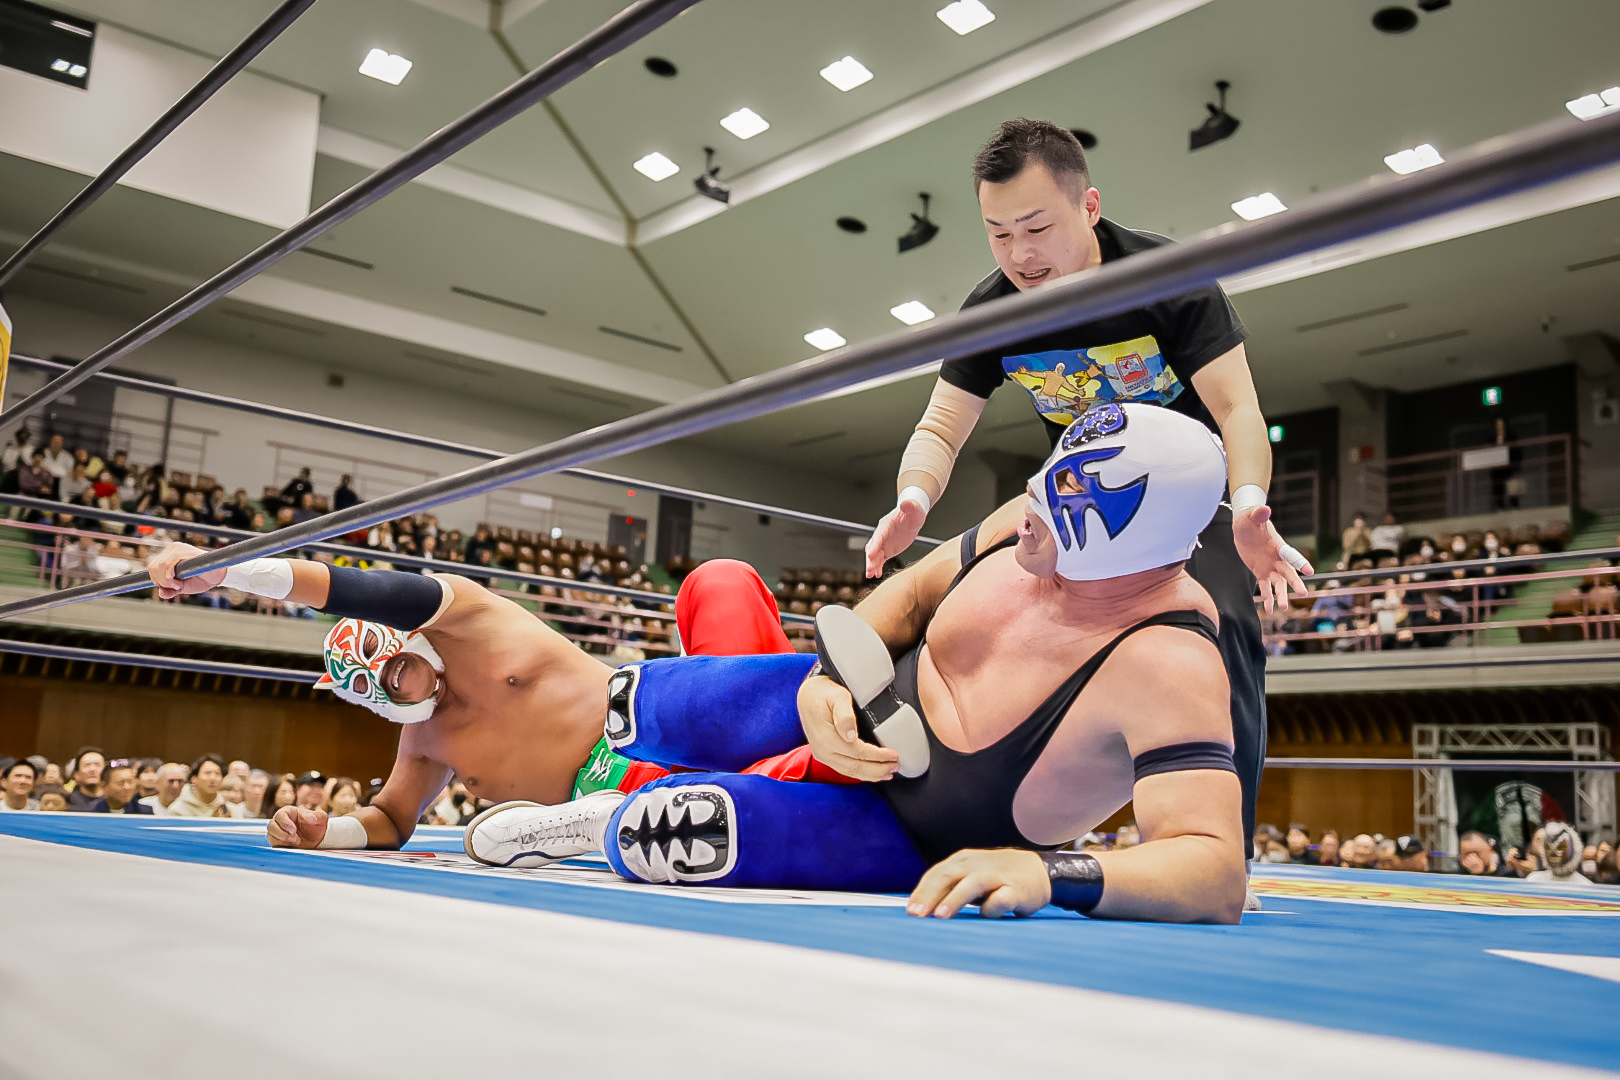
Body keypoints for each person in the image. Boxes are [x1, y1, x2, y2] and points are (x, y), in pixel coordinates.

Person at [472, 404, 1248, 924]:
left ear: (1135, 528)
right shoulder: (1025, 520)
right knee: (640, 702)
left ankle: (600, 821)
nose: (1034, 497)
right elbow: (908, 595)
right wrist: (828, 680)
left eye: (1071, 489)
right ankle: (628, 780)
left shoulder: (1168, 660)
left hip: (918, 830)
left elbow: (1215, 871)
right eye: (1052, 472)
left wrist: (1051, 876)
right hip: (865, 692)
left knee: (674, 834)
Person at [865, 123, 1306, 877]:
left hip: (1182, 509)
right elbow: (941, 425)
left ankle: (1226, 847)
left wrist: (1248, 504)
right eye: (998, 233)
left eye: (1036, 228)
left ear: (1089, 207)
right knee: (965, 603)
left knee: (1226, 622)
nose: (1019, 254)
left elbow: (1237, 408)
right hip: (1076, 506)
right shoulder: (994, 307)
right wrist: (913, 497)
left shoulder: (1167, 277)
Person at [146, 535, 811, 853]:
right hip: (655, 798)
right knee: (788, 783)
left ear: (409, 637)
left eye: (394, 670)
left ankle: (782, 734)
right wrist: (328, 831)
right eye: (374, 693)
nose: (393, 691)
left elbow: (370, 588)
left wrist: (237, 572)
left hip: (678, 733)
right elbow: (393, 820)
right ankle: (628, 817)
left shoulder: (473, 619)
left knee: (719, 578)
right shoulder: (424, 741)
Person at [1524, 821, 1597, 886]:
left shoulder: (1586, 886)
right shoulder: (1533, 880)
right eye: (1548, 847)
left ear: (1574, 849)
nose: (1553, 853)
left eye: (1560, 847)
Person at [165, 754, 231, 817]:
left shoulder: (228, 809)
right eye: (207, 773)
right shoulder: (177, 810)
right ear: (194, 779)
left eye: (217, 774)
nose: (213, 778)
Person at [85, 760, 154, 814]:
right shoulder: (90, 812)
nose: (127, 787)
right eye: (120, 783)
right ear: (103, 785)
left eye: (130, 782)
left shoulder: (144, 812)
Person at [64, 746, 106, 811]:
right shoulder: (66, 803)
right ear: (76, 775)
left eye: (97, 765)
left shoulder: (115, 802)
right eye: (87, 765)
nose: (92, 769)